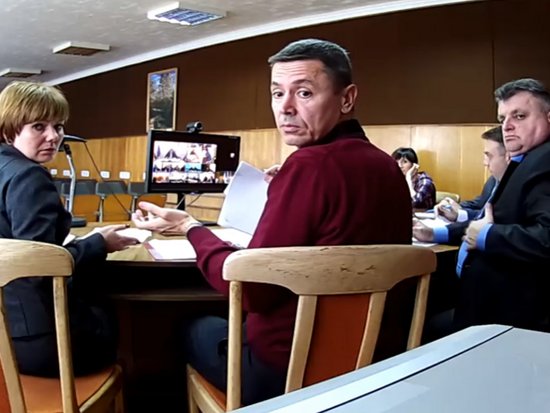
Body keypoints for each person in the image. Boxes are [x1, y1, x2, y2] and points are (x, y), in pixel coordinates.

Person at [133, 38, 412, 405]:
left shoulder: (309, 165)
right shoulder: (387, 166)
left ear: (347, 99)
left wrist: (191, 228)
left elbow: (251, 290)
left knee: (192, 326)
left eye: (304, 93)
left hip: (291, 370)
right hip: (374, 363)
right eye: (277, 93)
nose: (285, 108)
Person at [0, 81, 139, 376]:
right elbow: (37, 266)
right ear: (9, 130)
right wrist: (99, 242)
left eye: (59, 126)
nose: (54, 136)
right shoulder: (28, 176)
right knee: (116, 317)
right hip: (38, 343)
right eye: (39, 126)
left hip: (7, 335)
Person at [454, 78, 550, 331]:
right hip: (498, 311)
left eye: (519, 116)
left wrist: (487, 235)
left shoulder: (544, 160)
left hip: (519, 321)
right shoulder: (527, 159)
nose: (506, 126)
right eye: (502, 118)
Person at [413, 126, 508, 244]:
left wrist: (434, 233)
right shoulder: (493, 180)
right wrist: (453, 210)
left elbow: (486, 220)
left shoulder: (514, 190)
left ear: (508, 156)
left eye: (489, 155)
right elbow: (478, 204)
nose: (485, 163)